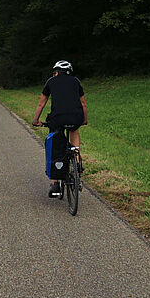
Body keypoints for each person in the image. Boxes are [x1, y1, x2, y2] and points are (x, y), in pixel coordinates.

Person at [33, 60, 88, 197]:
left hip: (57, 118)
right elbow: (83, 103)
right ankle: (76, 158)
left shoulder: (51, 81)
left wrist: (35, 121)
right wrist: (84, 120)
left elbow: (41, 104)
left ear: (56, 72)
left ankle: (55, 184)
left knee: (55, 144)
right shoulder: (76, 81)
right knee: (74, 130)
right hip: (76, 117)